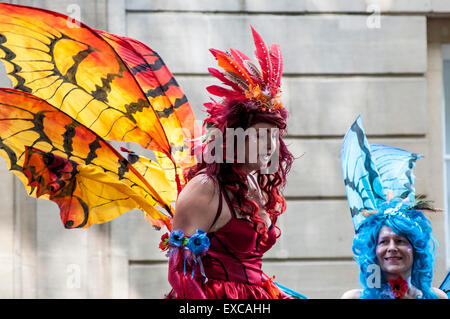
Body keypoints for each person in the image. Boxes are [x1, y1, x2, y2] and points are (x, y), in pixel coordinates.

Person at [159, 26, 304, 299]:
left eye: (274, 136)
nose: (271, 146)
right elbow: (181, 273)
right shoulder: (205, 188)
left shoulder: (251, 181)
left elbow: (246, 266)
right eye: (260, 135)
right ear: (231, 139)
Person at [340, 116, 447, 299]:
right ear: (373, 251)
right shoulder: (354, 298)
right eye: (383, 242)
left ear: (416, 250)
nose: (391, 248)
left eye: (400, 241)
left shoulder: (436, 297)